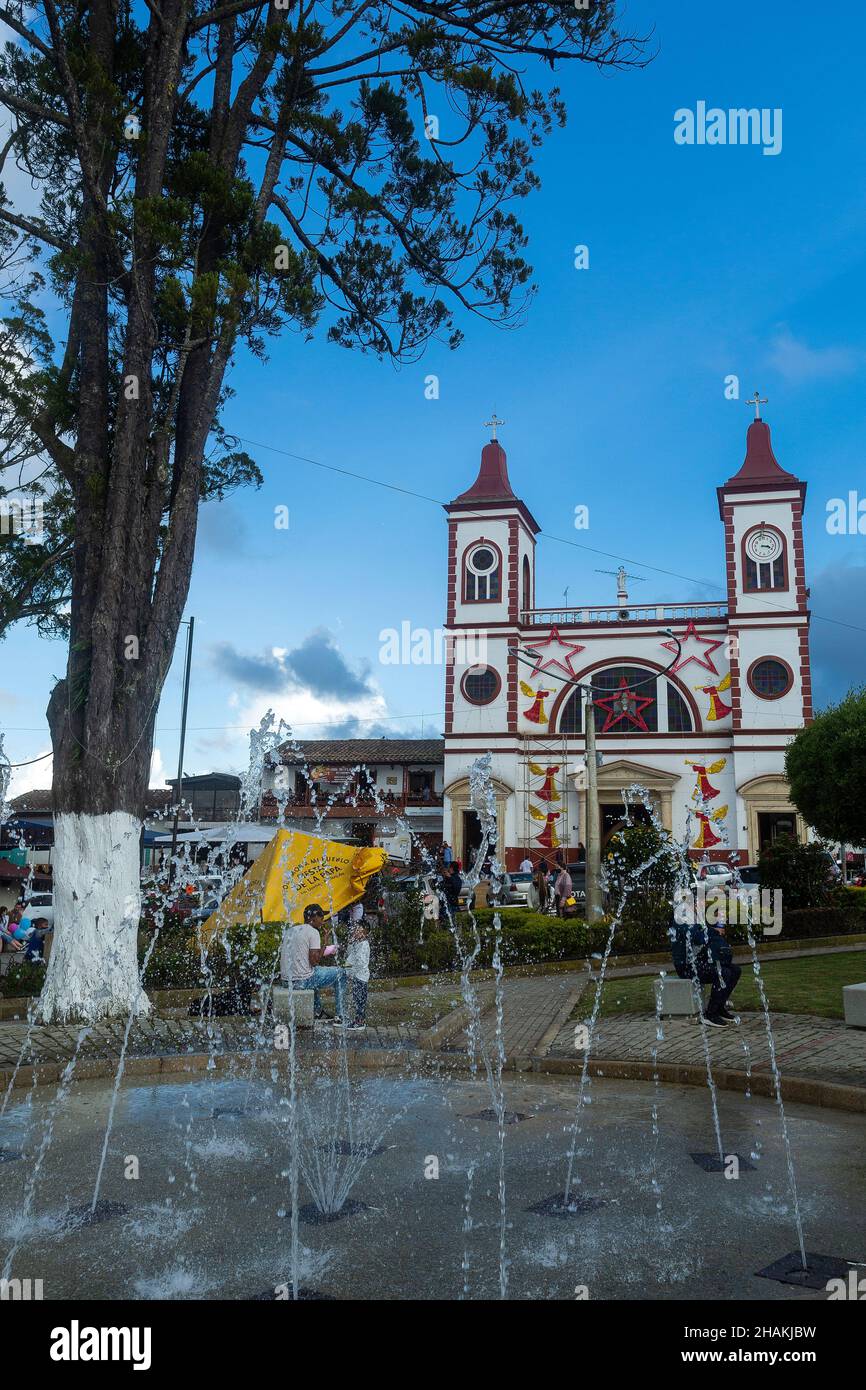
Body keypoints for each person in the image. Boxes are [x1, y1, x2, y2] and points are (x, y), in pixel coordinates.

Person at [670, 901, 741, 1028]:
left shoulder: (697, 916)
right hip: (686, 967)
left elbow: (706, 934)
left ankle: (719, 1007)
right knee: (723, 973)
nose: (701, 903)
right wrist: (714, 931)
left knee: (735, 970)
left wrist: (716, 925)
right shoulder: (681, 917)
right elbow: (697, 937)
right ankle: (710, 1014)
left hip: (699, 962)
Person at [281, 903, 347, 1024]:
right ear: (313, 917)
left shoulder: (291, 930)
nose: (323, 920)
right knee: (341, 973)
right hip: (301, 982)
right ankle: (340, 1015)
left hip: (286, 981)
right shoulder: (313, 932)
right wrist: (325, 943)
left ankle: (318, 1012)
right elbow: (315, 961)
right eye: (321, 916)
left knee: (312, 972)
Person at [344, 918, 370, 1031]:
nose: (355, 932)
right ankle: (358, 1019)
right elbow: (350, 955)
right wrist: (350, 943)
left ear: (365, 933)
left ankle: (360, 1022)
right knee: (356, 999)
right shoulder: (357, 944)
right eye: (355, 929)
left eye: (359, 930)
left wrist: (350, 969)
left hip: (361, 977)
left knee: (360, 1000)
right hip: (357, 976)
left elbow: (361, 963)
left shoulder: (364, 945)